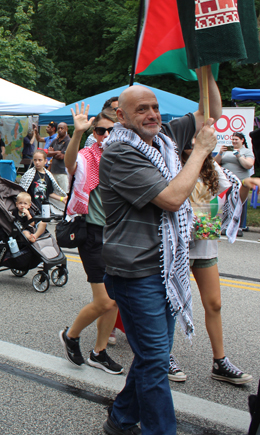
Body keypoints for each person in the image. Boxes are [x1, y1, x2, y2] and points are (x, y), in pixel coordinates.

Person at [98, 68, 221, 435]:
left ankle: (121, 418)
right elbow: (170, 199)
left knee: (151, 359)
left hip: (165, 269)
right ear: (121, 116)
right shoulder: (119, 151)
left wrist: (205, 68)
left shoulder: (163, 138)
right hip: (136, 273)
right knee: (154, 360)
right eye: (141, 110)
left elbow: (209, 111)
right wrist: (199, 152)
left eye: (155, 107)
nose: (152, 114)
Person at [167, 146, 259, 385]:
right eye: (195, 135)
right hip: (177, 245)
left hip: (205, 241)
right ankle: (162, 355)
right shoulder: (169, 161)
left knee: (214, 304)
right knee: (170, 302)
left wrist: (246, 187)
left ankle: (220, 361)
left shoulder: (212, 166)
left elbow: (231, 197)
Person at [59, 106, 122, 375]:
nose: (105, 135)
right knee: (105, 301)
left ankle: (99, 352)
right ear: (94, 133)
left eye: (111, 130)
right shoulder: (87, 156)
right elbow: (69, 163)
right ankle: (71, 335)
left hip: (118, 234)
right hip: (92, 233)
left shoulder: (124, 156)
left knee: (114, 300)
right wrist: (77, 133)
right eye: (100, 130)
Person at [214, 132, 255, 232]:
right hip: (226, 182)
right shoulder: (227, 151)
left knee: (238, 204)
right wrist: (220, 153)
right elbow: (215, 163)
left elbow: (248, 165)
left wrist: (239, 156)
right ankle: (223, 224)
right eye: (233, 139)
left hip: (240, 182)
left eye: (236, 139)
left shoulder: (247, 151)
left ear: (242, 140)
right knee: (224, 203)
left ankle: (237, 226)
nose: (234, 141)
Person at [20, 149, 67, 220]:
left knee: (42, 225)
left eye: (40, 160)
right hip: (31, 207)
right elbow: (23, 190)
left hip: (44, 208)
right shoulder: (29, 175)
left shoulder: (48, 176)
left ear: (45, 161)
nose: (37, 162)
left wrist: (62, 199)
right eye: (35, 160)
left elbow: (49, 193)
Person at [48, 122, 71, 193]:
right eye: (58, 128)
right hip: (53, 171)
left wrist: (53, 153)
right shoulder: (55, 141)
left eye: (62, 128)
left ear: (66, 129)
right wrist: (57, 152)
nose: (60, 130)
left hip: (63, 172)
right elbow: (48, 153)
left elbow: (61, 156)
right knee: (54, 193)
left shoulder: (68, 141)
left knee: (64, 193)